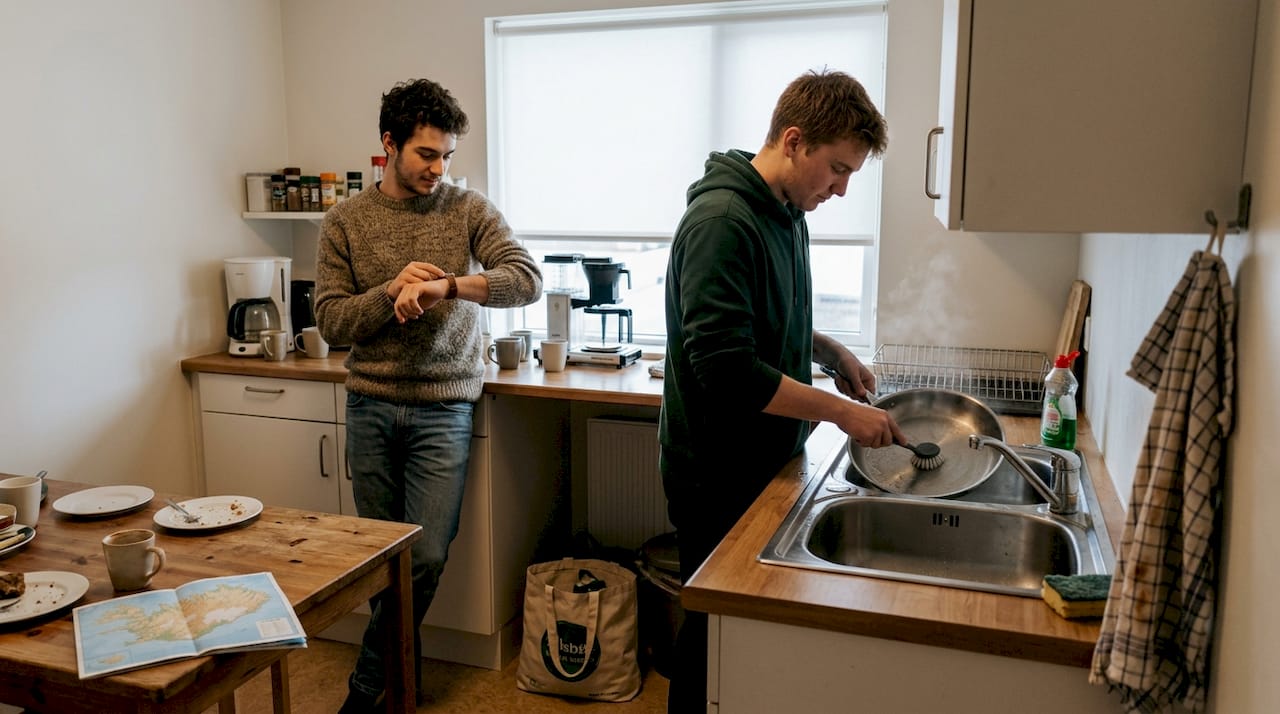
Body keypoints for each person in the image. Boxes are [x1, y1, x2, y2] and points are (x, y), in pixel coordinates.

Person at [659, 68, 904, 712]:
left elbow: (769, 316)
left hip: (764, 459)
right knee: (711, 639)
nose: (842, 189)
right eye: (838, 169)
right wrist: (841, 413)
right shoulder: (723, 221)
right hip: (717, 471)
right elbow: (727, 368)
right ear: (794, 141)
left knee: (742, 642)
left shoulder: (788, 209)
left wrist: (829, 351)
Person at [314, 78, 542, 712]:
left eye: (446, 156)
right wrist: (390, 291)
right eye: (426, 154)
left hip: (444, 407)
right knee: (381, 559)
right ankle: (400, 689)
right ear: (388, 145)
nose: (439, 169)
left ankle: (366, 689)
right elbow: (331, 321)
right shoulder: (345, 221)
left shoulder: (467, 210)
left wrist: (449, 287)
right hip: (370, 405)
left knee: (425, 556)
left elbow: (526, 278)